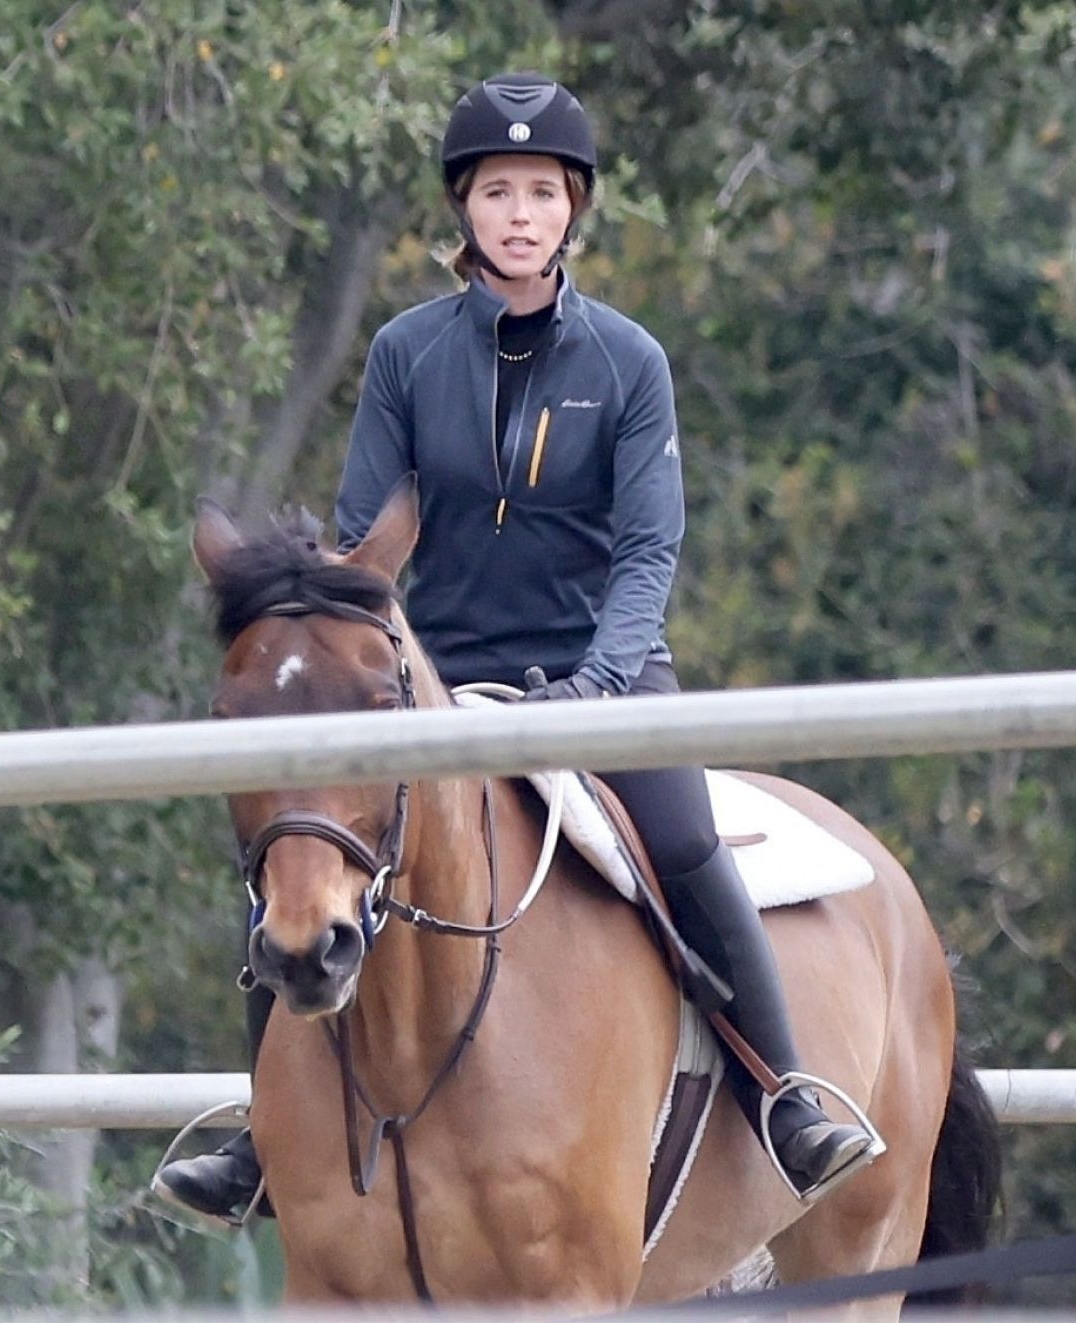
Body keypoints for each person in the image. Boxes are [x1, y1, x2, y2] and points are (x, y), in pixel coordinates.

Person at [156, 73, 878, 1220]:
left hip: (603, 668)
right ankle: (261, 1129)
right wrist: (392, 667)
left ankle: (783, 1095)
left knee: (685, 836)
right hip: (432, 676)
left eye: (542, 191)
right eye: (498, 191)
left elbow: (649, 548)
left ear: (573, 208)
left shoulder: (629, 362)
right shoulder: (404, 353)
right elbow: (364, 551)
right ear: (466, 210)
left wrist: (598, 685)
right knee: (300, 835)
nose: (520, 213)